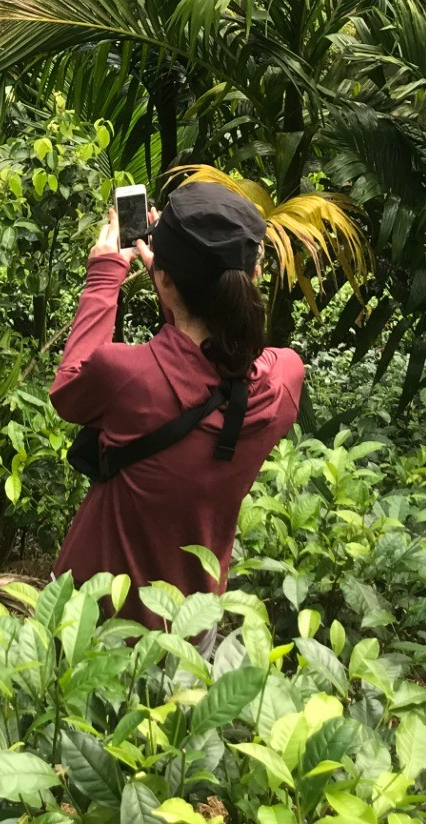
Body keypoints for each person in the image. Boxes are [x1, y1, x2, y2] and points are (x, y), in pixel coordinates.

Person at [50, 181, 305, 628]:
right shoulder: (284, 379)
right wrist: (172, 289)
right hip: (189, 625)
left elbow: (69, 389)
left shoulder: (126, 375)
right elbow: (212, 369)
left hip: (90, 620)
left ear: (164, 280)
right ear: (253, 277)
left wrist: (105, 274)